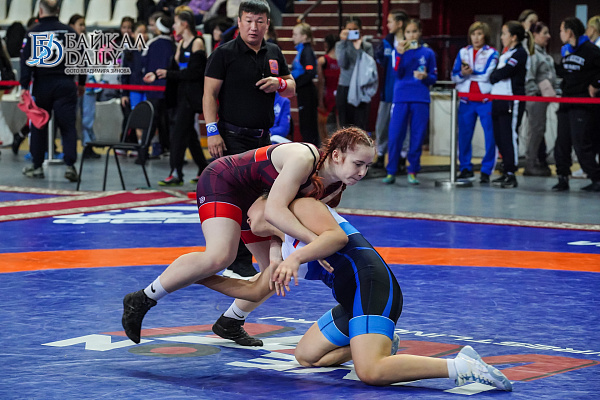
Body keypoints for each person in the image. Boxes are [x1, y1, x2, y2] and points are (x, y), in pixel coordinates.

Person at [197, 194, 512, 391]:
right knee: (306, 357)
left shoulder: (304, 208)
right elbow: (252, 290)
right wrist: (198, 276)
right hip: (352, 304)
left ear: (271, 199)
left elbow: (337, 237)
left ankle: (463, 366)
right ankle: (381, 344)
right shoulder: (281, 247)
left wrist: (294, 254)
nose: (244, 214)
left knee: (370, 372)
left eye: (248, 204)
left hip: (373, 288)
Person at [121, 127, 377, 347]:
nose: (362, 173)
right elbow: (274, 212)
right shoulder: (303, 158)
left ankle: (231, 321)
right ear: (336, 155)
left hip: (259, 203)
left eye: (367, 166)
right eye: (358, 164)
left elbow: (277, 221)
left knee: (272, 275)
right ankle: (142, 298)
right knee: (221, 255)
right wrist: (313, 241)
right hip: (225, 183)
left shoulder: (334, 189)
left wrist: (277, 254)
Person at [203, 0, 295, 281]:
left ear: (267, 24)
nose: (253, 27)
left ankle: (263, 256)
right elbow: (209, 94)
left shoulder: (274, 52)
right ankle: (238, 262)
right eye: (248, 21)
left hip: (263, 138)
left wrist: (279, 83)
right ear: (239, 22)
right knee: (239, 198)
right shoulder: (224, 53)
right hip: (232, 137)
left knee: (264, 198)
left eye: (259, 21)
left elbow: (291, 88)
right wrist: (212, 132)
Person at [19, 0, 85, 182]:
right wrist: (81, 83)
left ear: (40, 11)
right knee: (68, 126)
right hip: (66, 84)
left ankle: (37, 166)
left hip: (42, 85)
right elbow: (81, 59)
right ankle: (70, 165)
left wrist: (24, 86)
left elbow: (26, 62)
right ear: (58, 10)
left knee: (39, 125)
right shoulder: (70, 32)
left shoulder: (33, 32)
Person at [144, 11, 209, 186]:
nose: (173, 26)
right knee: (189, 135)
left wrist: (169, 74)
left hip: (191, 97)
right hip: (179, 95)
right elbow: (172, 69)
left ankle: (176, 173)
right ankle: (204, 168)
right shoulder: (180, 44)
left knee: (178, 134)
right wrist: (157, 75)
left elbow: (195, 73)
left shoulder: (197, 43)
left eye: (176, 22)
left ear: (185, 24)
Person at [383, 18, 437, 185]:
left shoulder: (428, 53)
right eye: (408, 32)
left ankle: (413, 170)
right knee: (395, 135)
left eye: (414, 31)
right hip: (401, 98)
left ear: (420, 33)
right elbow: (396, 73)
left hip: (420, 98)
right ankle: (391, 171)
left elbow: (434, 77)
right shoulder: (397, 51)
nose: (411, 35)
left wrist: (426, 76)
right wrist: (399, 54)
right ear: (404, 34)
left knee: (417, 136)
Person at [552, 17, 600, 192]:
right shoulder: (566, 50)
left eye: (561, 30)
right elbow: (567, 72)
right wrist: (552, 66)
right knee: (562, 142)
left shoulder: (591, 50)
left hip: (582, 103)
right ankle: (562, 176)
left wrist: (595, 84)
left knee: (581, 143)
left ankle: (596, 177)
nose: (560, 34)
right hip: (566, 100)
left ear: (569, 32)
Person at [451, 22, 499, 184]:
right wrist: (462, 74)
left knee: (490, 137)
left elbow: (486, 76)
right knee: (464, 137)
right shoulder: (463, 52)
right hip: (466, 100)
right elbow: (454, 76)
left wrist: (468, 74)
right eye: (473, 34)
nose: (476, 38)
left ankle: (486, 170)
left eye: (479, 34)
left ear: (485, 36)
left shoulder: (492, 53)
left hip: (486, 100)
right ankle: (465, 168)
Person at [488, 21, 528, 189]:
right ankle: (505, 170)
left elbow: (504, 72)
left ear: (513, 37)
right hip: (497, 99)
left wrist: (495, 75)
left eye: (505, 34)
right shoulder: (505, 53)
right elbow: (494, 73)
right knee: (499, 136)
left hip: (511, 99)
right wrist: (494, 75)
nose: (502, 37)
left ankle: (511, 172)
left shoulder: (520, 53)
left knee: (509, 136)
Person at [372, 10, 408, 170]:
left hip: (405, 93)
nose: (387, 25)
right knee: (382, 126)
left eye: (390, 21)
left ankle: (402, 158)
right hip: (388, 91)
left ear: (399, 23)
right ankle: (380, 155)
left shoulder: (411, 43)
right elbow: (379, 59)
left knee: (404, 127)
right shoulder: (386, 42)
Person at [523, 22, 558, 177]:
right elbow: (529, 79)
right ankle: (530, 164)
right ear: (535, 35)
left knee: (539, 131)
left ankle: (534, 161)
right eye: (545, 33)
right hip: (536, 99)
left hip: (543, 99)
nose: (548, 36)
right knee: (535, 131)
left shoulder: (544, 54)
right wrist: (539, 92)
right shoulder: (532, 54)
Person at [142, 15, 175, 161]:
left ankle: (142, 153)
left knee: (151, 122)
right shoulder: (174, 45)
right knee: (169, 122)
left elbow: (144, 64)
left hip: (153, 89)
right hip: (169, 89)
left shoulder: (151, 43)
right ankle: (171, 152)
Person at [67, 14, 100, 160]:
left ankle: (88, 145)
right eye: (80, 24)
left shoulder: (88, 42)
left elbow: (93, 63)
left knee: (88, 116)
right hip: (72, 84)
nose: (83, 28)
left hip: (88, 84)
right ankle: (69, 146)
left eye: (84, 24)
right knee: (71, 116)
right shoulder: (66, 42)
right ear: (71, 26)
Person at [335, 16, 374, 130]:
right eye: (349, 30)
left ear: (360, 30)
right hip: (345, 87)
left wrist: (358, 48)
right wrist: (343, 42)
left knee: (360, 125)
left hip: (360, 88)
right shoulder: (340, 45)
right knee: (345, 126)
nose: (352, 32)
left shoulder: (367, 46)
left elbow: (366, 67)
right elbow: (342, 63)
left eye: (355, 30)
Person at [291, 22, 319, 146]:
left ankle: (312, 151)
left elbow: (310, 72)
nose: (293, 37)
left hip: (307, 92)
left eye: (295, 34)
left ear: (304, 36)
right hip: (303, 91)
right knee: (305, 125)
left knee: (308, 126)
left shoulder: (306, 51)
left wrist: (296, 84)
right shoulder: (302, 50)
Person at [316, 34, 340, 142]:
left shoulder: (322, 60)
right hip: (341, 94)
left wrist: (320, 101)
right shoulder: (343, 60)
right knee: (340, 125)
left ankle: (326, 146)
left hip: (328, 95)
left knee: (323, 127)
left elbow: (321, 82)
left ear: (327, 45)